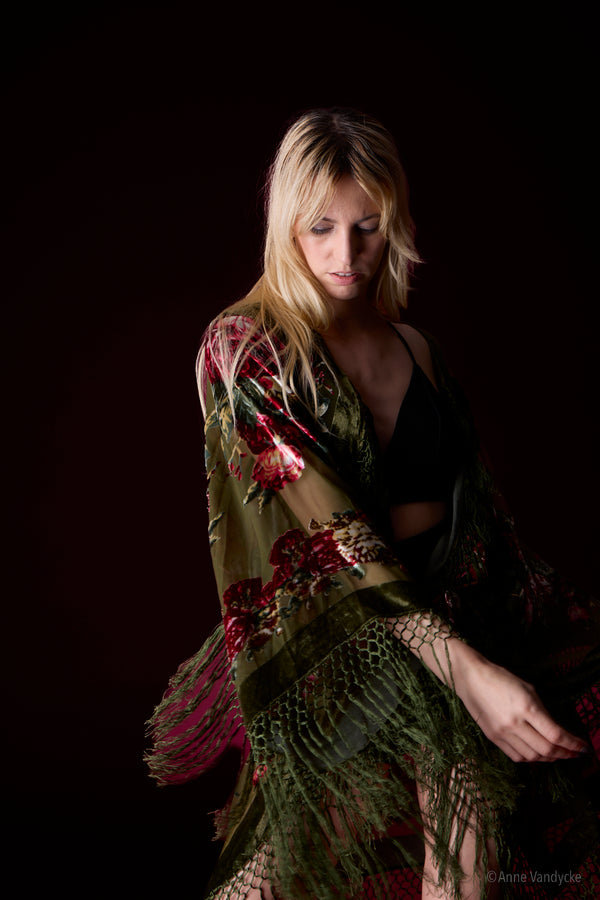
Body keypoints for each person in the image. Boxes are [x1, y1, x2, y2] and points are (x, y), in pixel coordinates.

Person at [146, 108, 600, 899]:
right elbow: (329, 533)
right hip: (339, 629)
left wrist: (521, 636)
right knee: (386, 813)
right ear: (285, 222)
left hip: (450, 602)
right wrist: (465, 672)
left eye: (368, 227)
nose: (345, 254)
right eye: (320, 227)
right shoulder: (246, 346)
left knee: (483, 806)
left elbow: (480, 517)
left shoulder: (414, 346)